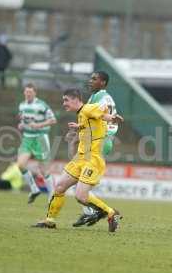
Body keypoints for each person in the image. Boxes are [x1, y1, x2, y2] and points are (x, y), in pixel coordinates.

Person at [32, 88, 123, 232]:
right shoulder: (82, 113)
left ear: (76, 99)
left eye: (66, 100)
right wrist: (79, 128)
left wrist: (111, 117)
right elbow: (93, 122)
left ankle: (112, 213)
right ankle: (49, 220)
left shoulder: (88, 108)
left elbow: (102, 110)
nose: (64, 103)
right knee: (60, 186)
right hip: (81, 157)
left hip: (93, 158)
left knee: (81, 196)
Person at [71, 71, 120, 227]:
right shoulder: (96, 96)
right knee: (75, 175)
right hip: (97, 140)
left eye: (94, 79)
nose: (90, 81)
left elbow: (104, 117)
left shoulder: (102, 98)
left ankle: (95, 211)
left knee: (76, 176)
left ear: (103, 83)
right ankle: (91, 211)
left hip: (100, 141)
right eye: (90, 78)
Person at [16, 83, 57, 204]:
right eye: (26, 92)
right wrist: (22, 125)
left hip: (41, 138)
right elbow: (25, 120)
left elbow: (53, 120)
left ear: (35, 93)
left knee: (43, 170)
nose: (28, 94)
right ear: (24, 92)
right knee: (20, 165)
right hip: (27, 138)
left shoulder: (41, 105)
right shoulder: (22, 105)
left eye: (30, 92)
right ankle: (34, 189)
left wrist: (39, 125)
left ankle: (51, 195)